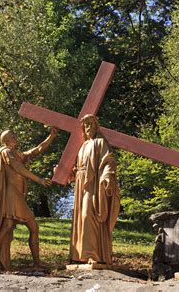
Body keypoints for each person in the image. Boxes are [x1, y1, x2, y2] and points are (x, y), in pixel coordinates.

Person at [0, 128, 57, 271]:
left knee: (7, 227)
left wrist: (51, 136)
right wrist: (40, 180)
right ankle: (36, 262)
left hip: (16, 195)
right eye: (12, 136)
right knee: (33, 226)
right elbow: (19, 169)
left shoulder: (16, 154)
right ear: (6, 141)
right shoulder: (6, 152)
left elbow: (36, 151)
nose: (15, 136)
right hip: (12, 196)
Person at [69, 114, 120, 266]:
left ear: (96, 126)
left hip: (94, 184)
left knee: (88, 216)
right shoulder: (83, 146)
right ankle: (79, 255)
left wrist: (108, 176)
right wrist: (70, 173)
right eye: (86, 125)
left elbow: (108, 160)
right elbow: (79, 167)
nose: (89, 127)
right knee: (80, 218)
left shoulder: (100, 142)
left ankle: (93, 254)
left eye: (91, 124)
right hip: (80, 183)